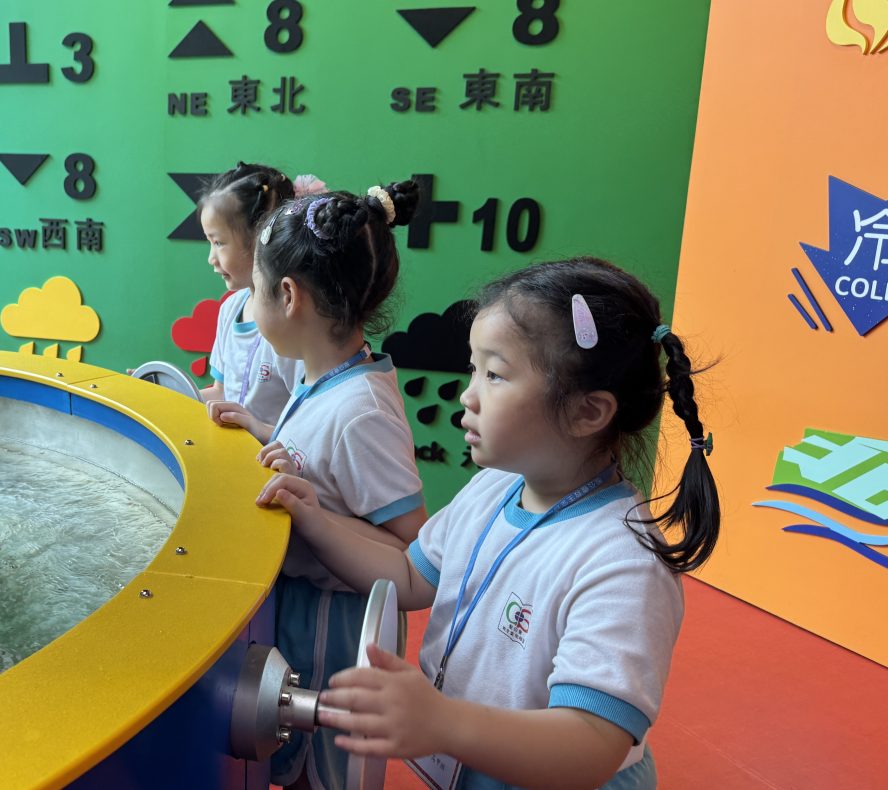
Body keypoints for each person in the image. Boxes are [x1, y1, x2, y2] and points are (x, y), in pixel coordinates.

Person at [259, 257, 720, 790]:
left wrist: (444, 722)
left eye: (495, 374)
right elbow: (409, 576)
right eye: (473, 368)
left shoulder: (622, 563)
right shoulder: (495, 487)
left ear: (587, 413)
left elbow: (593, 743)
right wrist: (316, 521)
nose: (468, 394)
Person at [249, 183, 428, 789]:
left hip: (335, 636)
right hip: (301, 615)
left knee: (317, 771)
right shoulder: (321, 377)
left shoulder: (361, 411)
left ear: (288, 295)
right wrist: (260, 433)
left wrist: (317, 516)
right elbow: (321, 466)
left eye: (254, 290)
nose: (248, 305)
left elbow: (411, 550)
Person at [198, 162, 304, 443]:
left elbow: (308, 435)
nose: (211, 258)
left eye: (219, 243)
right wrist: (163, 390)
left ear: (260, 240)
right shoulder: (230, 308)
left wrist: (255, 427)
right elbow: (221, 392)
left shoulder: (295, 326)